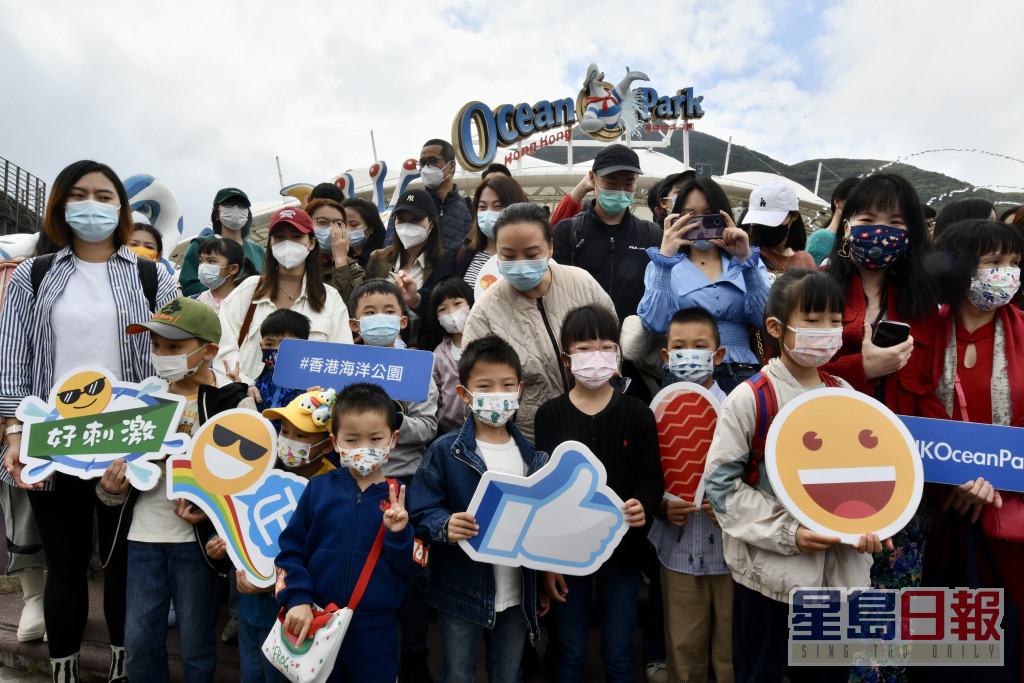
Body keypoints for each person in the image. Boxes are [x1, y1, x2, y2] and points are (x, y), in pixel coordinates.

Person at [0, 160, 178, 681]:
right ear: (60, 204)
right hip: (52, 440)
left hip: (127, 440)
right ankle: (64, 670)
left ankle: (122, 665)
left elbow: (174, 351)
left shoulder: (151, 273)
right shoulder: (33, 274)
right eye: (79, 194)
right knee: (66, 562)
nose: (92, 205)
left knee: (122, 562)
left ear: (121, 207)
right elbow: (12, 357)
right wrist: (13, 431)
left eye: (104, 195)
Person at [704, 269, 887, 683]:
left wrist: (875, 521)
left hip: (836, 584)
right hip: (770, 583)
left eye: (835, 320)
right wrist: (790, 533)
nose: (827, 330)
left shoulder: (844, 393)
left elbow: (866, 477)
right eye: (812, 320)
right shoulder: (751, 398)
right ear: (775, 327)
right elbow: (720, 489)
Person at [111, 297, 253, 681]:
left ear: (208, 350)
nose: (162, 354)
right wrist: (111, 490)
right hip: (141, 536)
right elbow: (110, 471)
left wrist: (210, 511)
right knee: (138, 645)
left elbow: (248, 480)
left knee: (196, 646)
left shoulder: (232, 401)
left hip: (196, 544)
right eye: (156, 345)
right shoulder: (140, 397)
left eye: (174, 346)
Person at [534, 304, 664, 683]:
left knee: (621, 651)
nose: (596, 356)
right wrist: (547, 563)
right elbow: (545, 490)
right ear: (566, 357)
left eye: (606, 347)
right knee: (569, 649)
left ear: (619, 356)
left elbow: (652, 477)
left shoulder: (638, 413)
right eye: (584, 348)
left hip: (622, 554)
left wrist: (644, 503)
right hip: (565, 555)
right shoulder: (549, 415)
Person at [408, 335, 547, 683]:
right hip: (460, 591)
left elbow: (544, 524)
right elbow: (421, 511)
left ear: (520, 389)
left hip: (517, 592)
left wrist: (545, 576)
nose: (497, 395)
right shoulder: (444, 451)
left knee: (508, 674)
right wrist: (445, 525)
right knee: (457, 674)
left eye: (507, 385)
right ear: (464, 394)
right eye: (485, 386)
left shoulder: (533, 457)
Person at [927, 218, 1024, 674]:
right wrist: (949, 477)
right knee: (937, 637)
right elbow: (906, 409)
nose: (1006, 274)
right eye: (993, 262)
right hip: (935, 511)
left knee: (1007, 636)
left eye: (1014, 263)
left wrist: (992, 475)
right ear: (964, 266)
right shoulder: (923, 330)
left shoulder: (1023, 331)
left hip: (1007, 515)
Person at [275, 383, 422, 683]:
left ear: (393, 439)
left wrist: (399, 534)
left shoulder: (403, 497)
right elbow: (290, 551)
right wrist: (298, 598)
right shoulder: (318, 489)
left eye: (375, 438)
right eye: (352, 440)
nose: (363, 448)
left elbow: (417, 566)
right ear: (334, 441)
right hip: (314, 621)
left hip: (375, 630)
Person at [205, 389, 338, 683]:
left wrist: (268, 587)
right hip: (250, 610)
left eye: (302, 436)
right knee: (251, 673)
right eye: (285, 431)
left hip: (293, 617)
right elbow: (238, 525)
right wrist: (220, 546)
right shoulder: (261, 472)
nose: (289, 441)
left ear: (328, 444)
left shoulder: (332, 489)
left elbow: (321, 559)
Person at [346, 279, 438, 680]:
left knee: (412, 571)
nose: (378, 319)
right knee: (358, 564)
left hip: (406, 482)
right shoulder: (343, 364)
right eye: (369, 313)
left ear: (402, 320)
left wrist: (392, 421)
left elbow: (429, 425)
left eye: (387, 311)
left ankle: (415, 651)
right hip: (353, 483)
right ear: (354, 324)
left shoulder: (418, 365)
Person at [461, 203, 616, 442]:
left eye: (532, 254)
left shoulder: (581, 283)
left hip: (599, 425)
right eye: (509, 256)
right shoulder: (485, 312)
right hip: (530, 440)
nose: (521, 264)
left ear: (550, 247)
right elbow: (474, 390)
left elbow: (613, 348)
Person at [647, 306, 733, 683]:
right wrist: (660, 505)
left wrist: (732, 506)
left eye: (700, 346)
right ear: (666, 356)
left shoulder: (738, 408)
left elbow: (755, 474)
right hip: (678, 552)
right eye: (679, 347)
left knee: (731, 655)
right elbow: (646, 476)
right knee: (683, 654)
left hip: (732, 557)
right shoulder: (654, 412)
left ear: (718, 355)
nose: (689, 354)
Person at [638, 176, 771, 394]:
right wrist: (664, 259)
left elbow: (765, 318)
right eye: (690, 215)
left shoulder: (747, 263)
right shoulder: (663, 265)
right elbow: (655, 322)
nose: (699, 223)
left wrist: (746, 259)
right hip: (683, 374)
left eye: (709, 214)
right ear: (677, 217)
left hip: (742, 373)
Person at [216, 206, 352, 384]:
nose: (287, 243)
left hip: (308, 406)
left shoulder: (330, 298)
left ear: (311, 243)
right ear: (271, 243)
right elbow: (224, 347)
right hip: (247, 402)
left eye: (296, 236)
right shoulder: (250, 290)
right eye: (279, 237)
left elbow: (341, 357)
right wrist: (244, 384)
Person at [552, 144, 662, 322]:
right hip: (582, 340)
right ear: (592, 179)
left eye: (629, 183)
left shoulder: (652, 235)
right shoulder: (567, 232)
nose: (620, 190)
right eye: (611, 182)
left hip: (635, 341)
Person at [367, 190, 452, 344]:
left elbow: (444, 316)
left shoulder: (444, 264)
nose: (407, 226)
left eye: (415, 219)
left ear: (431, 224)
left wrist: (416, 300)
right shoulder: (378, 259)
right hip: (378, 346)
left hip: (421, 352)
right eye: (401, 219)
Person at [180, 188, 266, 296]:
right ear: (217, 212)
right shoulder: (199, 245)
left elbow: (268, 286)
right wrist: (226, 292)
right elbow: (188, 288)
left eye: (241, 206)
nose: (236, 210)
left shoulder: (258, 250)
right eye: (229, 205)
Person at [455, 175, 529, 288]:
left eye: (497, 206)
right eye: (483, 207)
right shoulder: (464, 253)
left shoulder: (533, 259)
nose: (488, 213)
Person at [427, 278, 474, 435]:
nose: (452, 313)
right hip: (452, 431)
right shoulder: (438, 356)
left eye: (457, 304)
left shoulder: (487, 344)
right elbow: (436, 396)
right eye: (442, 309)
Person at [743, 180, 814, 280]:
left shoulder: (806, 260)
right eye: (758, 219)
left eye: (772, 220)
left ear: (794, 216)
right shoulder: (745, 256)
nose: (764, 225)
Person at [307, 197, 365, 304]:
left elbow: (352, 306)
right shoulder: (299, 268)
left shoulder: (354, 269)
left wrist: (340, 261)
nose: (332, 229)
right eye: (323, 222)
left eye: (338, 224)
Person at [250, 309, 310, 411]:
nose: (277, 350)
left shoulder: (309, 386)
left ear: (304, 346)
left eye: (285, 344)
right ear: (261, 346)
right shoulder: (255, 384)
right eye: (269, 344)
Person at [419, 139, 473, 251]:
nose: (425, 168)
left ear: (451, 165)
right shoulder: (413, 206)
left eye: (432, 161)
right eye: (422, 163)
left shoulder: (470, 208)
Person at [804, 178, 859, 266]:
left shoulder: (856, 239)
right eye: (854, 203)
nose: (858, 210)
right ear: (837, 202)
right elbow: (812, 276)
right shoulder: (822, 238)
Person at [194, 236, 250, 314]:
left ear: (233, 269)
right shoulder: (194, 301)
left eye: (211, 261)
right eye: (201, 261)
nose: (203, 266)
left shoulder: (248, 303)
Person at [340, 197, 386, 268]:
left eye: (354, 225)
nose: (347, 230)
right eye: (343, 225)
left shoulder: (381, 257)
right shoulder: (340, 254)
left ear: (371, 227)